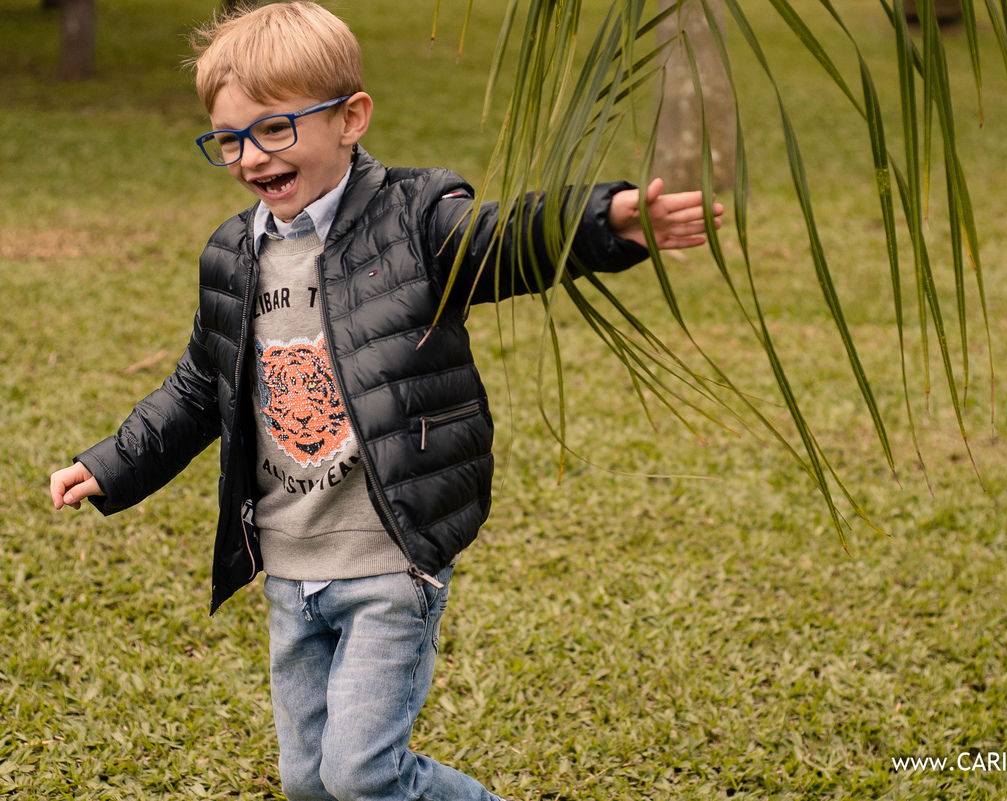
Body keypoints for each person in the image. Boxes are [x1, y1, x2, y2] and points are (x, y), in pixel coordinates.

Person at [48, 3, 722, 799]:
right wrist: (111, 463)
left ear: (350, 118)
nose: (250, 157)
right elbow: (199, 384)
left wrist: (600, 221)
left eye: (274, 129)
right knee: (308, 784)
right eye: (229, 139)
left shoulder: (414, 220)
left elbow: (504, 241)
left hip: (388, 557)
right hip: (290, 565)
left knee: (363, 775)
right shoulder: (235, 253)